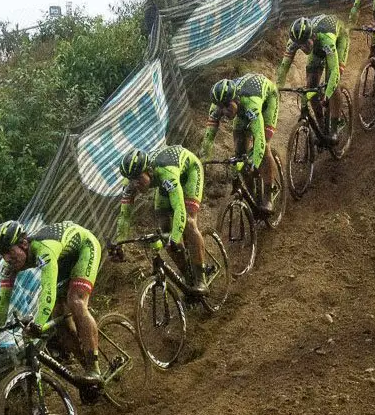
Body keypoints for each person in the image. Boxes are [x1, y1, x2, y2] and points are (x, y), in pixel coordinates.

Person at [0, 220, 103, 384]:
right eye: (2, 254)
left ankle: (94, 370)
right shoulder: (10, 267)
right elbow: (2, 303)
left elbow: (48, 289)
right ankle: (88, 375)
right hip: (63, 260)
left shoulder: (43, 249)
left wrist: (38, 323)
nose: (6, 258)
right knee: (58, 318)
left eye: (8, 251)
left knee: (75, 301)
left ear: (23, 244)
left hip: (84, 248)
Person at [113, 146, 209, 294]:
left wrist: (175, 237)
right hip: (164, 185)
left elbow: (179, 208)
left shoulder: (165, 172)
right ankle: (189, 279)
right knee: (164, 229)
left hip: (190, 173)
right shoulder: (130, 185)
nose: (136, 184)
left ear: (149, 171)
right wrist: (120, 243)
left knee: (189, 222)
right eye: (132, 181)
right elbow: (124, 216)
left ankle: (201, 279)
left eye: (139, 178)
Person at [203, 74, 280, 212]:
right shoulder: (217, 107)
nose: (224, 111)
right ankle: (253, 197)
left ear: (236, 99)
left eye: (227, 105)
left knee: (264, 146)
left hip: (267, 101)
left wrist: (255, 163)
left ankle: (268, 194)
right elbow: (208, 138)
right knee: (240, 155)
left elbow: (260, 138)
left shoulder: (250, 102)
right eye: (220, 107)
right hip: (243, 111)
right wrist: (204, 160)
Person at [277, 15, 350, 145]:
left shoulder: (326, 38)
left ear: (313, 37)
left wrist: (327, 95)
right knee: (311, 86)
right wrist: (278, 88)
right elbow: (283, 68)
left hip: (338, 42)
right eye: (300, 46)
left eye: (305, 44)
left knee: (333, 83)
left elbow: (334, 71)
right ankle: (322, 129)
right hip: (317, 49)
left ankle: (334, 130)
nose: (303, 48)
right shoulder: (294, 41)